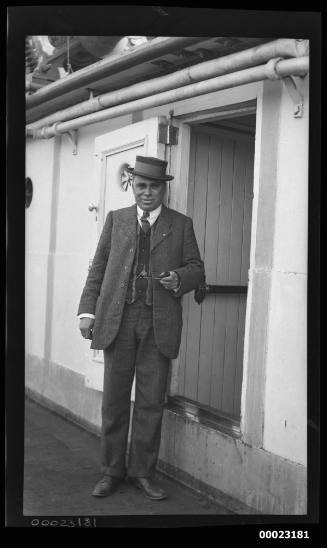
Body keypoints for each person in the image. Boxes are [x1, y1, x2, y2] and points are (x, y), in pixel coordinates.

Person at [78, 155, 205, 500]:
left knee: (150, 403)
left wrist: (180, 277)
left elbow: (197, 268)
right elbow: (98, 268)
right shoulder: (116, 220)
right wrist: (87, 311)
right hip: (118, 322)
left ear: (164, 189)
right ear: (133, 186)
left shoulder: (181, 225)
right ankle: (111, 472)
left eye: (155, 187)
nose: (148, 193)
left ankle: (142, 473)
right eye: (142, 185)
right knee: (115, 402)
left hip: (157, 324)